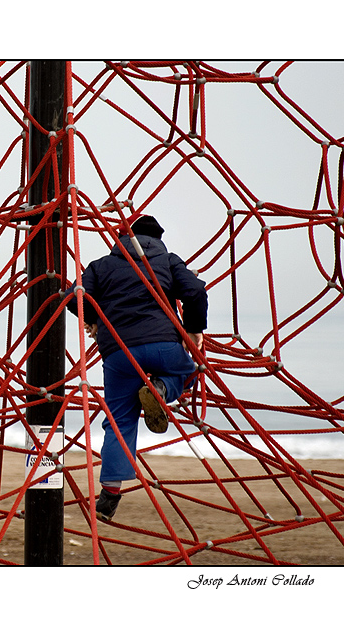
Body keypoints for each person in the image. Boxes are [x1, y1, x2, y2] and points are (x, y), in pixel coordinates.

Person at [64, 215, 207, 520]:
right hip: (164, 345)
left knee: (119, 418)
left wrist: (94, 320)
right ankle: (162, 388)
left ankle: (109, 495)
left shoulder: (101, 265)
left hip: (118, 353)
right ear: (158, 237)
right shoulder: (168, 260)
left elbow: (74, 297)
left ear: (120, 238)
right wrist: (195, 328)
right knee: (190, 372)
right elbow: (195, 291)